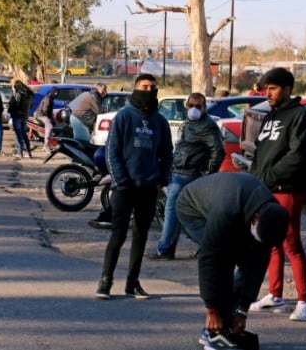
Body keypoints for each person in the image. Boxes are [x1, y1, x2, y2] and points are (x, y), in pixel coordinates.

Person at [175, 172, 290, 350]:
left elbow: (257, 266)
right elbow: (209, 258)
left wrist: (242, 309)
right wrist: (211, 308)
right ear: (255, 218)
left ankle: (226, 323)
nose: (261, 242)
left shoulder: (270, 217)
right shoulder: (227, 209)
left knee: (247, 260)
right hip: (192, 208)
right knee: (223, 258)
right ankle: (212, 333)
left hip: (234, 209)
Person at [95, 73, 173, 300]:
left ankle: (132, 282)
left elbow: (167, 153)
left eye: (152, 87)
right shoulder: (124, 117)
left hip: (148, 187)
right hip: (124, 187)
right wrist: (121, 180)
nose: (148, 90)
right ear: (136, 88)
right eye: (144, 86)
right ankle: (105, 281)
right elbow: (112, 151)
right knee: (118, 235)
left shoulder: (160, 121)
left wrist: (161, 179)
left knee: (141, 235)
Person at [248, 67, 306, 321]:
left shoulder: (300, 116)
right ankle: (275, 295)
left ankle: (305, 302)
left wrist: (269, 177)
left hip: (287, 190)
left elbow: (297, 156)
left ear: (287, 89)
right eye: (266, 88)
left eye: (273, 88)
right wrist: (256, 180)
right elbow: (260, 152)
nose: (268, 93)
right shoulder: (270, 116)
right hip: (264, 190)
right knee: (270, 242)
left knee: (291, 244)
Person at [144, 92, 225, 256]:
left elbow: (218, 151)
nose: (194, 109)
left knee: (172, 211)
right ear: (186, 106)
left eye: (198, 106)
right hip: (180, 172)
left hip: (189, 174)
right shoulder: (190, 123)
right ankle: (205, 246)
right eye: (191, 105)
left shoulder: (207, 125)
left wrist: (207, 174)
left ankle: (165, 249)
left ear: (204, 108)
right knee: (187, 213)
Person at [8, 79, 34, 159]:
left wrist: (11, 108)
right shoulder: (29, 93)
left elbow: (16, 104)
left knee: (18, 134)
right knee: (23, 134)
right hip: (24, 115)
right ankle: (28, 152)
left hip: (17, 115)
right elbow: (31, 105)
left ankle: (20, 152)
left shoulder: (18, 93)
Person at [34, 87, 59, 152]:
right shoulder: (48, 98)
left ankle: (50, 143)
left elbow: (49, 111)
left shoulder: (51, 98)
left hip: (44, 115)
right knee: (49, 126)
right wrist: (50, 118)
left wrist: (52, 118)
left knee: (54, 125)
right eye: (56, 93)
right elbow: (45, 110)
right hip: (41, 115)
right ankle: (46, 144)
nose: (56, 94)